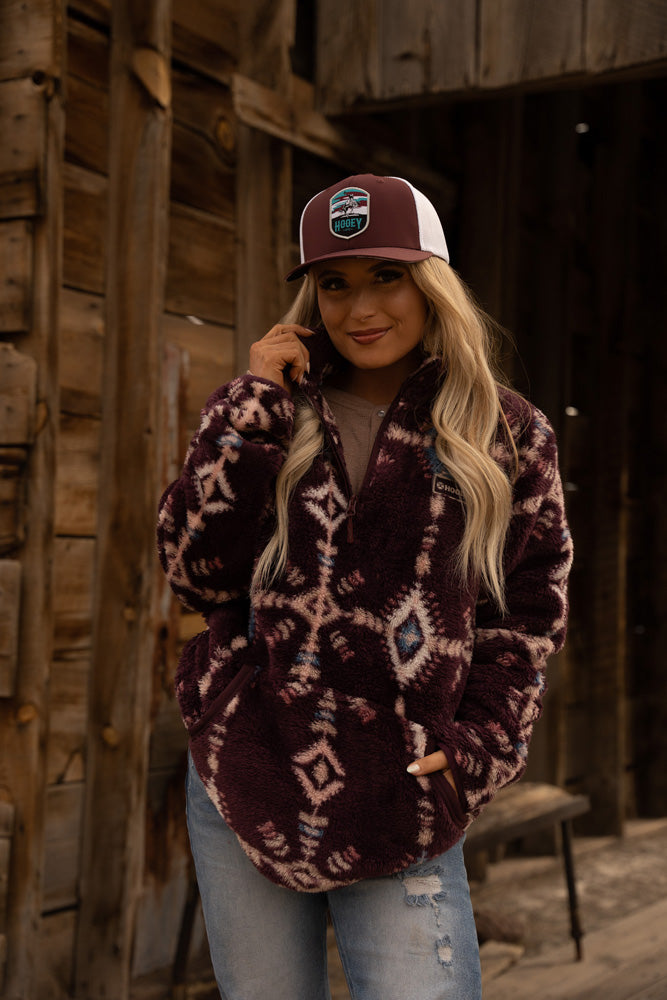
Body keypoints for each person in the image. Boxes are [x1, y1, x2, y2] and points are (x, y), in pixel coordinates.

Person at [157, 173, 573, 1000]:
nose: (358, 309)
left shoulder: (507, 432)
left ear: (431, 283)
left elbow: (528, 614)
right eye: (334, 284)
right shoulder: (269, 410)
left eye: (386, 276)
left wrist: (477, 748)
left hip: (402, 793)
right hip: (251, 774)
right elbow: (193, 568)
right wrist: (252, 415)